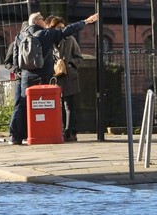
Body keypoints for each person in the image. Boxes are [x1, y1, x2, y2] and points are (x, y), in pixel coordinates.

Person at [8, 9, 99, 145]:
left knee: (22, 106)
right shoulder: (46, 34)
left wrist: (21, 73)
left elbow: (16, 59)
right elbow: (66, 31)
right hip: (44, 75)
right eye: (42, 19)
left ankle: (16, 137)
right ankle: (44, 133)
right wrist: (86, 21)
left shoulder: (20, 37)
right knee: (46, 105)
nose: (45, 21)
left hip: (26, 76)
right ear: (37, 21)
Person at [46, 15, 83, 141]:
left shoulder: (70, 40)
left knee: (68, 105)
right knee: (58, 105)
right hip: (55, 77)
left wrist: (70, 65)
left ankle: (68, 131)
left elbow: (79, 57)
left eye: (62, 27)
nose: (61, 30)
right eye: (58, 28)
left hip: (69, 76)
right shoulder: (49, 42)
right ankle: (62, 129)